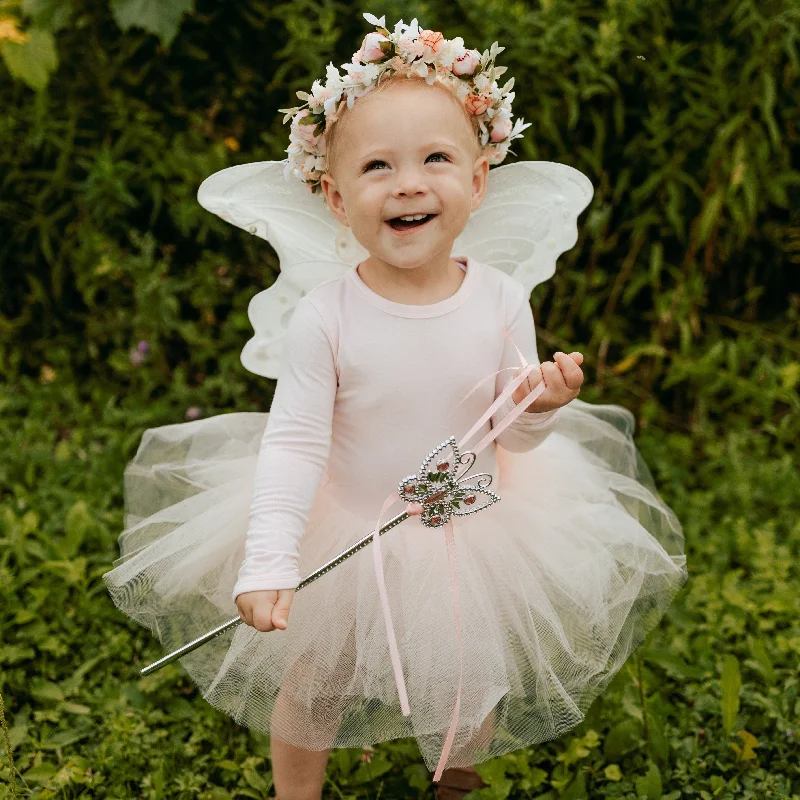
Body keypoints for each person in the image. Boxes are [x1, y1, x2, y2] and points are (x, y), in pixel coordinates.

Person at [104, 13, 688, 800]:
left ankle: (455, 777)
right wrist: (272, 559)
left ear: (479, 182)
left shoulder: (501, 301)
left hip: (473, 530)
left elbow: (504, 432)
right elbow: (296, 443)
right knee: (317, 677)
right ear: (337, 199)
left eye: (436, 159)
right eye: (378, 166)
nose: (409, 182)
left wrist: (542, 404)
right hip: (350, 522)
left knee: (466, 671)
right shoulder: (328, 317)